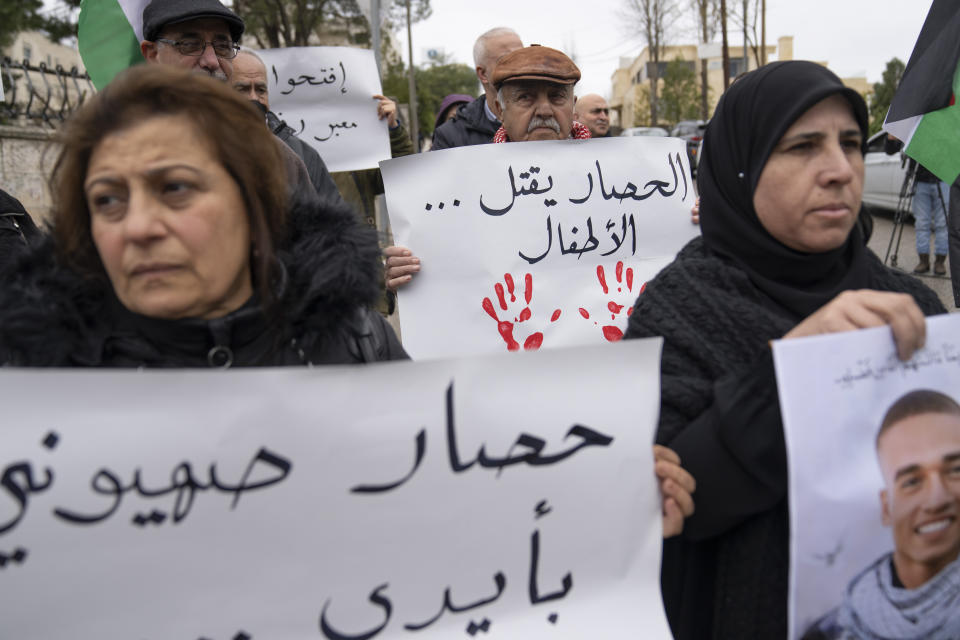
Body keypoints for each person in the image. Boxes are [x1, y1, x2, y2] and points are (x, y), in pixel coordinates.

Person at [622, 60, 946, 640]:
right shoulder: (677, 310)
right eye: (802, 147)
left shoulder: (909, 306)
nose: (840, 171)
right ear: (741, 169)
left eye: (850, 143)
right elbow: (659, 511)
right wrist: (790, 372)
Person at [0, 65, 405, 367]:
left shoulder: (361, 345)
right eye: (108, 200)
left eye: (175, 188)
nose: (139, 228)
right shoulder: (37, 373)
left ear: (254, 205)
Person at [384, 44, 590, 289]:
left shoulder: (615, 181)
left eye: (557, 97)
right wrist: (404, 267)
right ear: (501, 110)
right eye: (526, 97)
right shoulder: (459, 184)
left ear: (573, 106)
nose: (545, 110)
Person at [141, 0, 342, 209]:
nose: (211, 61)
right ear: (153, 55)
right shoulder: (115, 147)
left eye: (222, 47)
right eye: (190, 44)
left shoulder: (278, 159)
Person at [802, 389, 960, 640]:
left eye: (954, 470)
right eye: (912, 482)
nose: (936, 499)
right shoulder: (831, 631)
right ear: (886, 507)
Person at [430, 27, 523, 151]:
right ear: (483, 74)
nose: (519, 66)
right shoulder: (451, 136)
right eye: (505, 60)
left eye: (521, 58)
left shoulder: (546, 118)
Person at [1, 188, 41, 272]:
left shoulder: (9, 201)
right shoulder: (11, 201)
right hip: (18, 256)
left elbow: (34, 235)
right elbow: (34, 235)